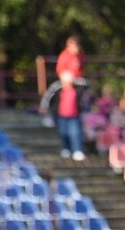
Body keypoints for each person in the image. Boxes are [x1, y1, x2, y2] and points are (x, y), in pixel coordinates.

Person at [54, 35, 86, 163]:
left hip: (74, 112)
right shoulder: (64, 56)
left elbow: (81, 68)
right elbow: (61, 70)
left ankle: (77, 150)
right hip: (63, 113)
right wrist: (66, 78)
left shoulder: (78, 89)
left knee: (75, 130)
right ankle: (66, 149)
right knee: (64, 130)